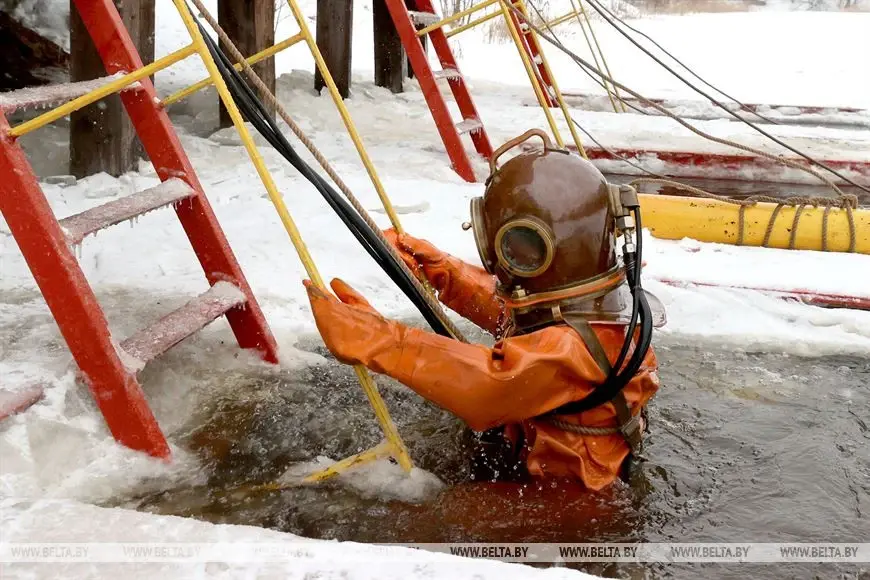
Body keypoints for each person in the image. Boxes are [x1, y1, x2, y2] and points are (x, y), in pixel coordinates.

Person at [304, 130, 666, 491]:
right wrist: (442, 272)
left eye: (517, 249)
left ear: (539, 252)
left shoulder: (572, 347)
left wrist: (380, 340)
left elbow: (487, 386)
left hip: (567, 504)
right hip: (541, 460)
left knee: (415, 521)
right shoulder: (598, 306)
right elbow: (510, 318)